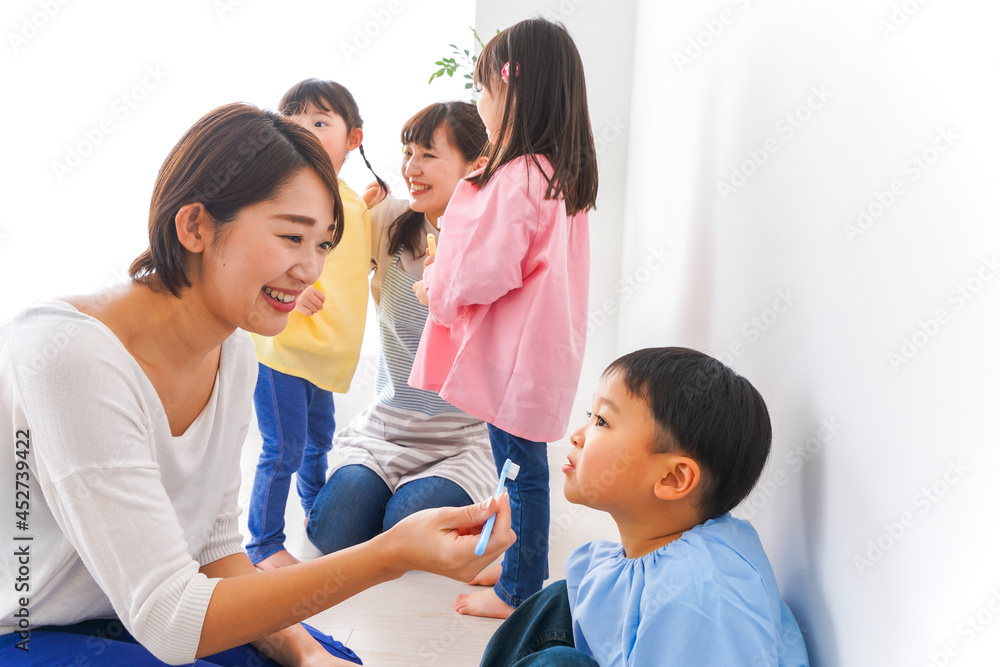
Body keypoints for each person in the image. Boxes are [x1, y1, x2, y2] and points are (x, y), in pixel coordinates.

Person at [0, 102, 514, 667]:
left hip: (134, 616)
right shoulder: (68, 352)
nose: (311, 270)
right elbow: (171, 620)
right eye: (292, 236)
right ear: (195, 226)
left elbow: (216, 549)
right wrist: (390, 554)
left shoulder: (234, 350)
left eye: (323, 244)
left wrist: (305, 653)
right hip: (27, 630)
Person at [410, 18, 599, 619]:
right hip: (536, 351)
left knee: (520, 472)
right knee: (515, 466)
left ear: (514, 88)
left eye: (482, 88)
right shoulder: (556, 173)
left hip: (514, 356)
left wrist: (436, 287)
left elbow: (485, 269)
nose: (479, 102)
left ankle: (519, 589)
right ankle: (513, 561)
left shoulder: (521, 176)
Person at [479, 348, 810, 666]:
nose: (577, 435)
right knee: (562, 599)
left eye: (602, 421)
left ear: (672, 478)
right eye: (590, 416)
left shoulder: (699, 596)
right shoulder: (679, 551)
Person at [306, 102, 498, 555]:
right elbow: (327, 256)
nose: (411, 168)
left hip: (461, 439)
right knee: (333, 533)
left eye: (428, 155)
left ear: (476, 165)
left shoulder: (495, 240)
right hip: (387, 428)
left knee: (406, 523)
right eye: (408, 153)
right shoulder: (388, 221)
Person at [247, 78, 387, 570]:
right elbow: (260, 247)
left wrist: (365, 206)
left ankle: (314, 511)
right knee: (282, 449)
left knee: (318, 440)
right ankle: (263, 544)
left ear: (354, 139)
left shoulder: (349, 199)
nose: (304, 128)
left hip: (324, 353)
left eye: (321, 121)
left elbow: (348, 255)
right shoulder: (282, 189)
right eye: (294, 119)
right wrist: (290, 284)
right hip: (284, 347)